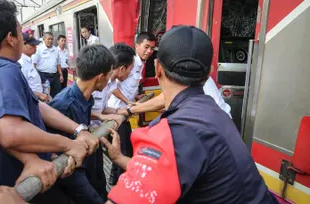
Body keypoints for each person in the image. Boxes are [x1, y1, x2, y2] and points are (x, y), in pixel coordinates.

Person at [102, 26, 278, 204]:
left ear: (157, 69)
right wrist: (119, 158)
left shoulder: (172, 133)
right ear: (209, 73)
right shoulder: (218, 114)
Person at [0, 0, 98, 202]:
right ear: (10, 38)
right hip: (21, 184)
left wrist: (77, 130)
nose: (22, 37)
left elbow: (38, 107)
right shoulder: (4, 72)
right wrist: (67, 144)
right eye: (20, 31)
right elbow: (9, 132)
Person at [48, 44, 118, 204]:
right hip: (72, 171)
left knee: (101, 192)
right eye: (108, 75)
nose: (109, 80)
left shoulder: (87, 97)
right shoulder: (62, 105)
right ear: (100, 77)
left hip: (89, 161)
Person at [107, 32, 156, 185]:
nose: (149, 51)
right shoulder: (131, 61)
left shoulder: (140, 63)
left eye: (152, 48)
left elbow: (127, 86)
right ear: (137, 46)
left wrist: (135, 98)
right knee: (125, 151)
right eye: (146, 47)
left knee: (121, 148)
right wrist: (128, 101)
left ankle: (114, 179)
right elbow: (112, 86)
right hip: (117, 111)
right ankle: (121, 183)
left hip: (125, 110)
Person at [90, 43, 135, 127]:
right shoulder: (98, 82)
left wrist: (120, 111)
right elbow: (80, 112)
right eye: (130, 69)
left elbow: (102, 109)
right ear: (122, 68)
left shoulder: (112, 82)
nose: (130, 73)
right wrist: (102, 116)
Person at [19, 32, 51, 102]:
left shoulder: (29, 61)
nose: (35, 47)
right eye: (32, 45)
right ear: (22, 45)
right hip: (32, 100)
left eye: (35, 45)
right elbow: (21, 89)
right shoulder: (22, 64)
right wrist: (38, 94)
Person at [33, 32, 63, 97]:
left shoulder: (55, 49)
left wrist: (61, 74)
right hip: (43, 76)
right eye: (48, 39)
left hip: (55, 76)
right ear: (44, 39)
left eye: (52, 39)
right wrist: (36, 78)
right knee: (45, 95)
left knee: (57, 94)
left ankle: (56, 107)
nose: (50, 41)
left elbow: (58, 64)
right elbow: (34, 65)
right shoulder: (39, 49)